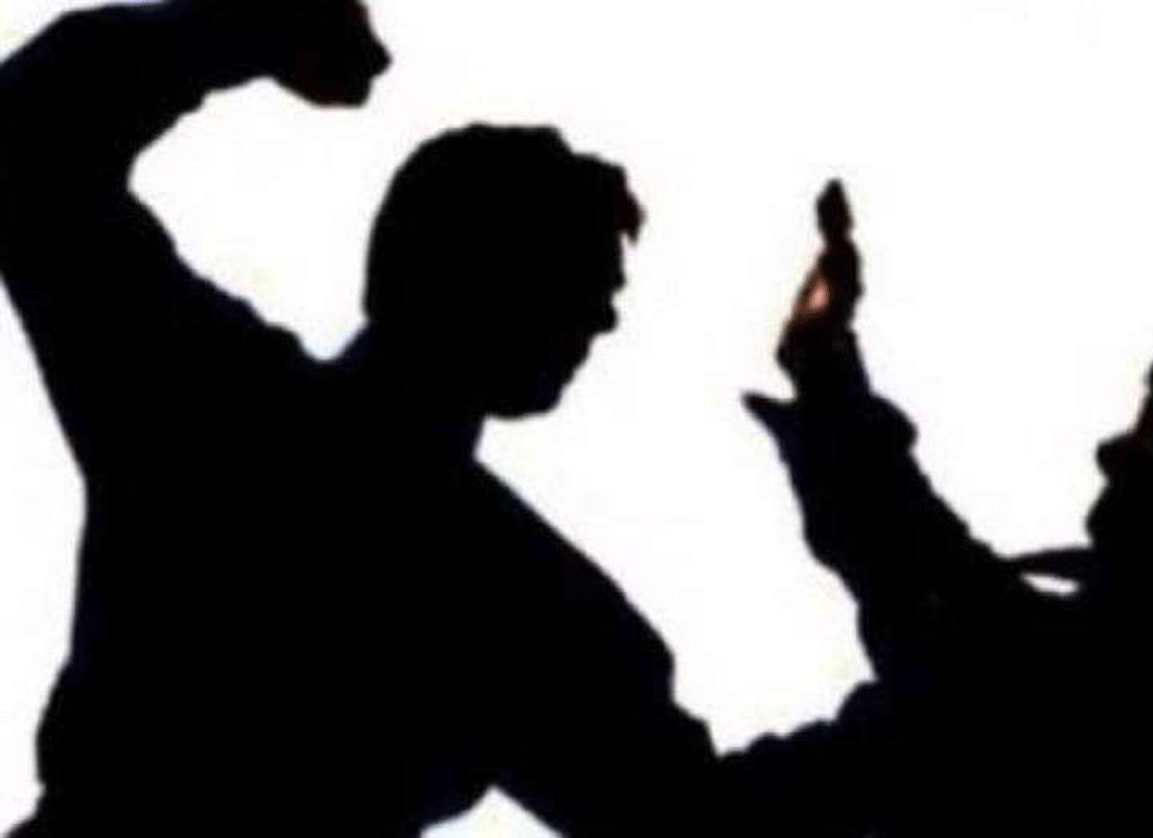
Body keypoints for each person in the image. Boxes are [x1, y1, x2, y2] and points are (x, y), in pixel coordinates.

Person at [0, 3, 906, 835]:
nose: (604, 318)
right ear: (460, 270)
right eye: (576, 279)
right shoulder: (511, 593)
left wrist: (245, 33)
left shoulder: (211, 404)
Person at [748, 181, 1153, 836]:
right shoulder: (1124, 658)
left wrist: (828, 386)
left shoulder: (1127, 687)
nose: (1109, 452)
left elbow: (963, 608)